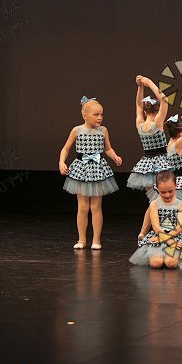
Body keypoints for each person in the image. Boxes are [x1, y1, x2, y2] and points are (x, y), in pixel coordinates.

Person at [59, 96, 121, 250]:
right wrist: (61, 162)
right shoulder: (77, 130)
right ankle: (81, 240)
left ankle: (96, 240)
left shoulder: (103, 130)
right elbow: (66, 148)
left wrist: (114, 156)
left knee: (96, 206)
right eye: (96, 114)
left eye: (101, 114)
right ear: (84, 115)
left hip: (98, 169)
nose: (100, 117)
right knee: (82, 206)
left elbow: (108, 149)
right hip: (81, 170)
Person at [126, 76, 171, 238]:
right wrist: (149, 83)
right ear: (157, 111)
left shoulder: (140, 124)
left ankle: (144, 231)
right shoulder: (157, 124)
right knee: (162, 201)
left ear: (145, 111)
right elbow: (164, 100)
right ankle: (160, 231)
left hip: (145, 166)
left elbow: (138, 105)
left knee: (154, 201)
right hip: (161, 163)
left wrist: (140, 87)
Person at [128, 171, 182, 269]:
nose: (167, 195)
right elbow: (156, 227)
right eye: (163, 192)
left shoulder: (181, 204)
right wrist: (169, 241)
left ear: (176, 186)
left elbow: (178, 227)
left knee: (170, 263)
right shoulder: (154, 204)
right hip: (158, 235)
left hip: (174, 236)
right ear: (157, 188)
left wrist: (167, 239)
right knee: (156, 263)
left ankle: (176, 256)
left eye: (170, 191)